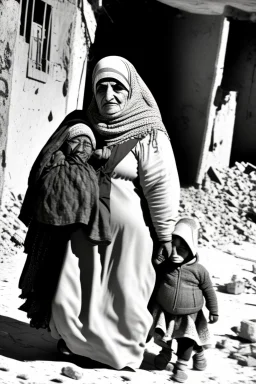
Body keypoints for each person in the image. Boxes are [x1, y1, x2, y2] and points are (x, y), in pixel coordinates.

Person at [46, 55, 180, 370]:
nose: (109, 95)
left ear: (131, 89)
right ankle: (75, 343)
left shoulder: (149, 132)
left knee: (124, 293)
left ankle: (116, 353)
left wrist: (165, 234)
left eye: (117, 86)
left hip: (127, 236)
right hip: (83, 225)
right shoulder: (84, 124)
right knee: (75, 286)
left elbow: (162, 186)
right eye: (101, 87)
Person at [18, 119, 111, 330]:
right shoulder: (56, 164)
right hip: (50, 234)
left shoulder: (92, 171)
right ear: (64, 144)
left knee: (66, 282)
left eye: (87, 144)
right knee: (46, 278)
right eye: (75, 141)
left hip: (76, 240)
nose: (80, 148)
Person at [150, 217, 219, 383]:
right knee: (164, 334)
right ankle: (165, 352)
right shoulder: (166, 266)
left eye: (181, 249)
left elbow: (209, 290)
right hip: (166, 313)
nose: (175, 253)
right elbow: (154, 277)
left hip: (189, 316)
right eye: (172, 247)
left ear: (191, 248)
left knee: (186, 340)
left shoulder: (199, 271)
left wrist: (214, 310)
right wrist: (158, 260)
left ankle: (182, 365)